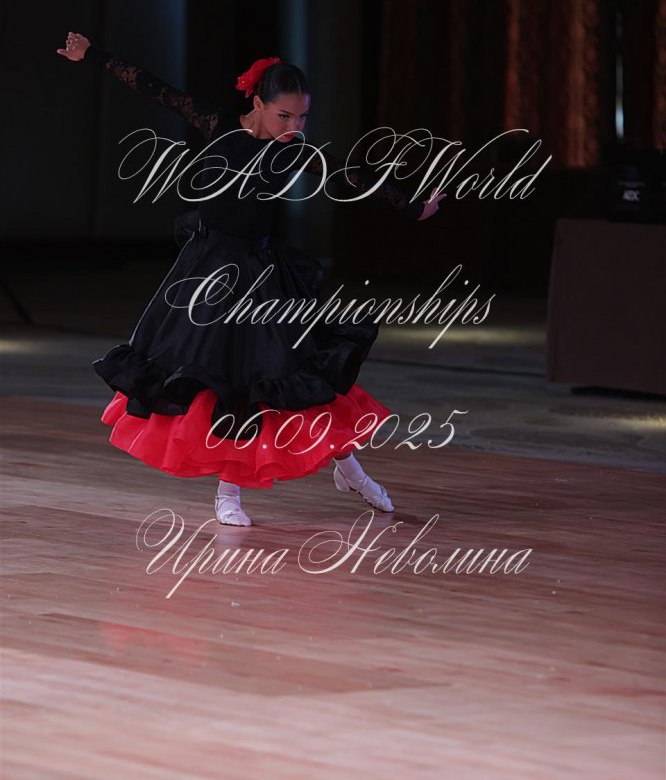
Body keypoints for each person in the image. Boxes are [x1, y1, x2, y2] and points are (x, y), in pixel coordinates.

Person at [56, 31, 444, 526]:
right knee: (228, 381)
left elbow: (349, 175)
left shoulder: (293, 151)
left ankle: (348, 469)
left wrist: (413, 206)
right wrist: (91, 54)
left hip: (261, 276)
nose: (294, 127)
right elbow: (155, 88)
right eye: (284, 116)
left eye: (302, 118)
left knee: (291, 374)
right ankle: (232, 493)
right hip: (206, 275)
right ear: (257, 104)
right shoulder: (219, 126)